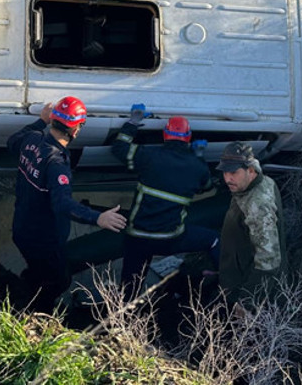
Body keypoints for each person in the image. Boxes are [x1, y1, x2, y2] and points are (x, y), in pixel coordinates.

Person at [7, 96, 127, 313]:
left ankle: (27, 285)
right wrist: (98, 218)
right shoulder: (56, 164)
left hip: (22, 228)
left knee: (37, 269)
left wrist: (39, 122)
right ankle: (39, 312)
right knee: (58, 281)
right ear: (76, 130)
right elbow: (63, 204)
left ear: (52, 120)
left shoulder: (32, 139)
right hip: (45, 239)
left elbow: (12, 141)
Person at [111, 104, 219, 298]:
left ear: (165, 135)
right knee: (214, 239)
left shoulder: (148, 156)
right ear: (188, 138)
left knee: (130, 289)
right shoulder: (197, 167)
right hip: (170, 239)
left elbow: (119, 148)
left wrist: (133, 122)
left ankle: (123, 319)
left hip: (138, 238)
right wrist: (199, 157)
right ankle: (223, 286)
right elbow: (208, 187)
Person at [215, 141, 287, 303]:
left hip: (248, 289)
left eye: (233, 172)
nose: (228, 178)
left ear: (251, 171)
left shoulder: (258, 205)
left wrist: (247, 301)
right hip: (239, 274)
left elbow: (268, 261)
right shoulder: (260, 182)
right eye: (225, 172)